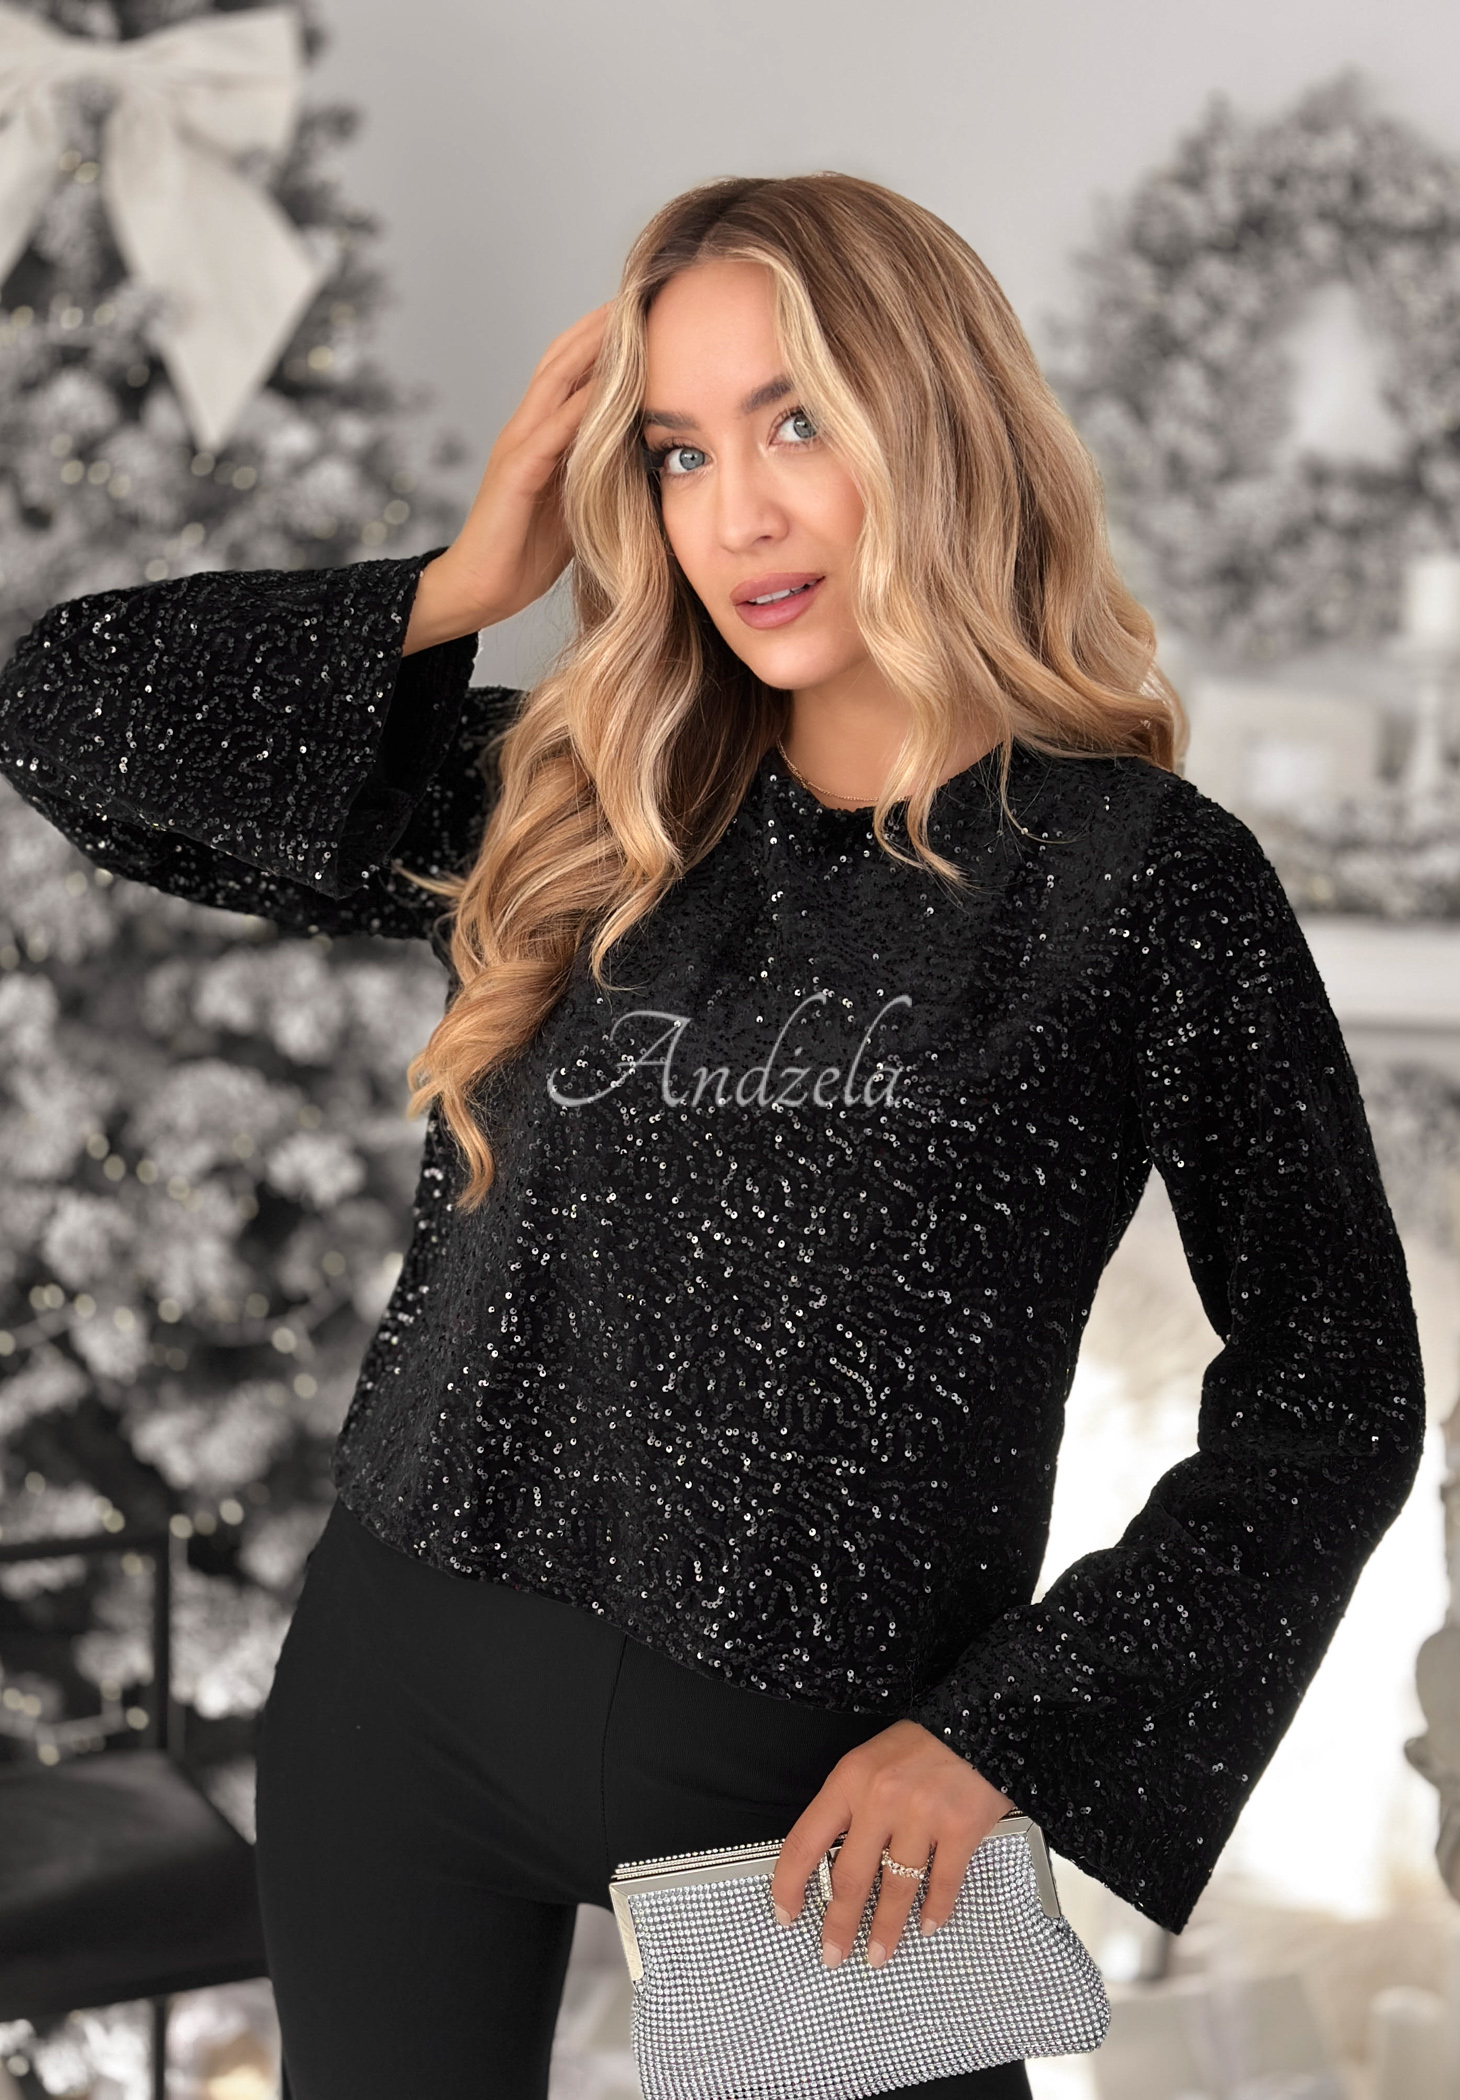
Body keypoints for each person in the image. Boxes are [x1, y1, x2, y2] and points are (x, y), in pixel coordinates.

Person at [0, 173, 1425, 2100]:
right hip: (399, 1702)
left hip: (830, 1803)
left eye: (795, 423)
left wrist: (1002, 1740)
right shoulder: (574, 801)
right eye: (676, 451)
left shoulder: (1139, 881)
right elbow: (60, 713)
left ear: (937, 420)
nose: (734, 512)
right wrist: (463, 579)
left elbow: (1335, 1392)